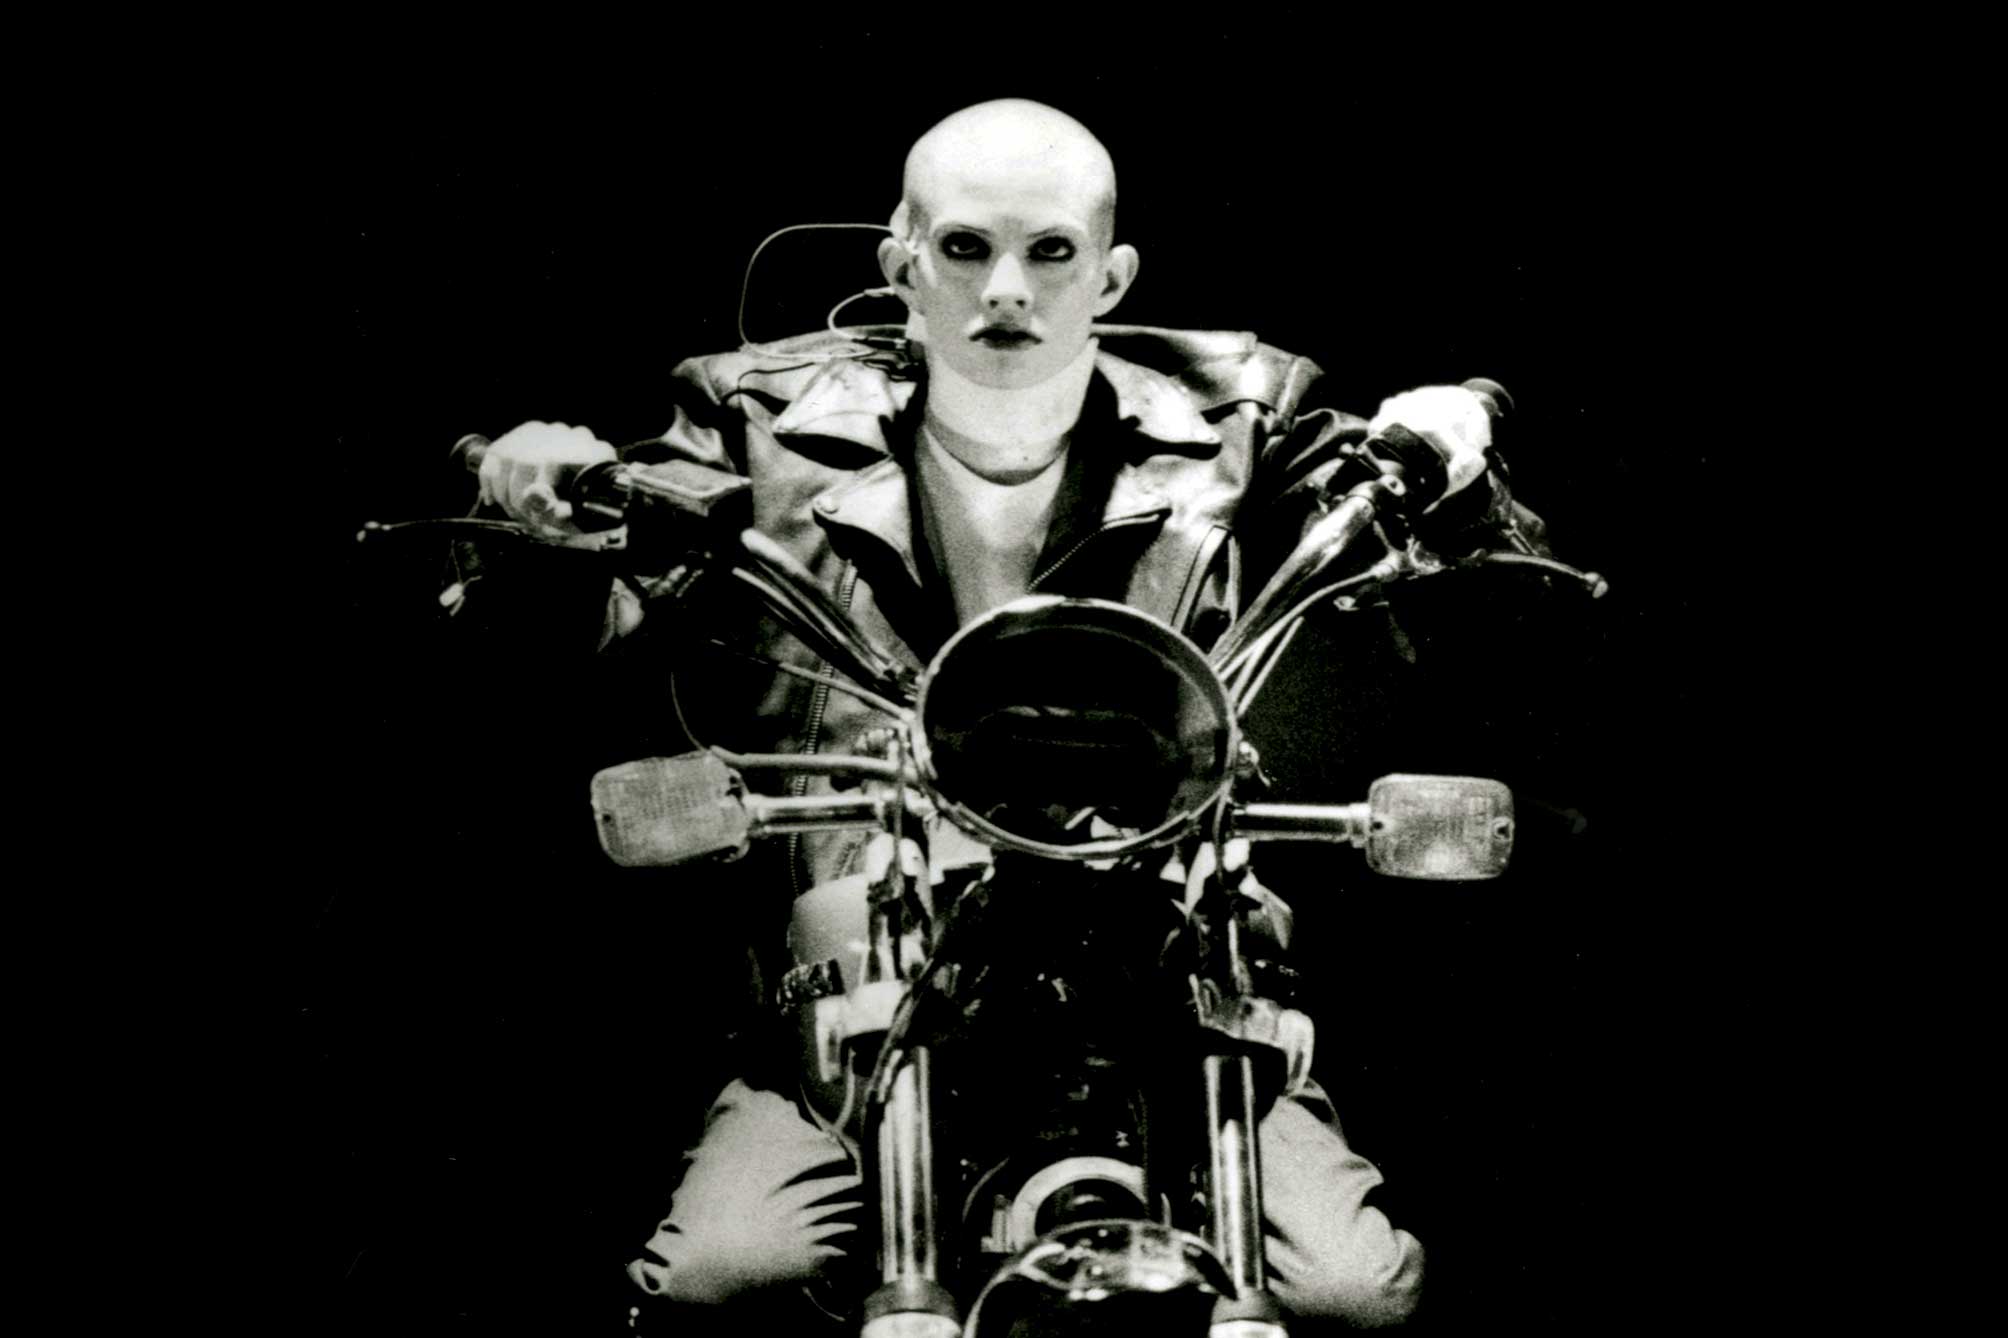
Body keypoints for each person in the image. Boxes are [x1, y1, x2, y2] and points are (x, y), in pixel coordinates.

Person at [474, 99, 1519, 1328]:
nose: (1006, 289)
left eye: (1051, 251)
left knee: (1349, 1291)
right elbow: (590, 607)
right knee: (724, 1273)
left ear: (1111, 276)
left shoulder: (1245, 415)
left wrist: (1454, 443)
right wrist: (533, 508)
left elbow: (1422, 546)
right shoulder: (757, 424)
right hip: (878, 950)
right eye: (966, 248)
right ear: (900, 262)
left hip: (1164, 954)